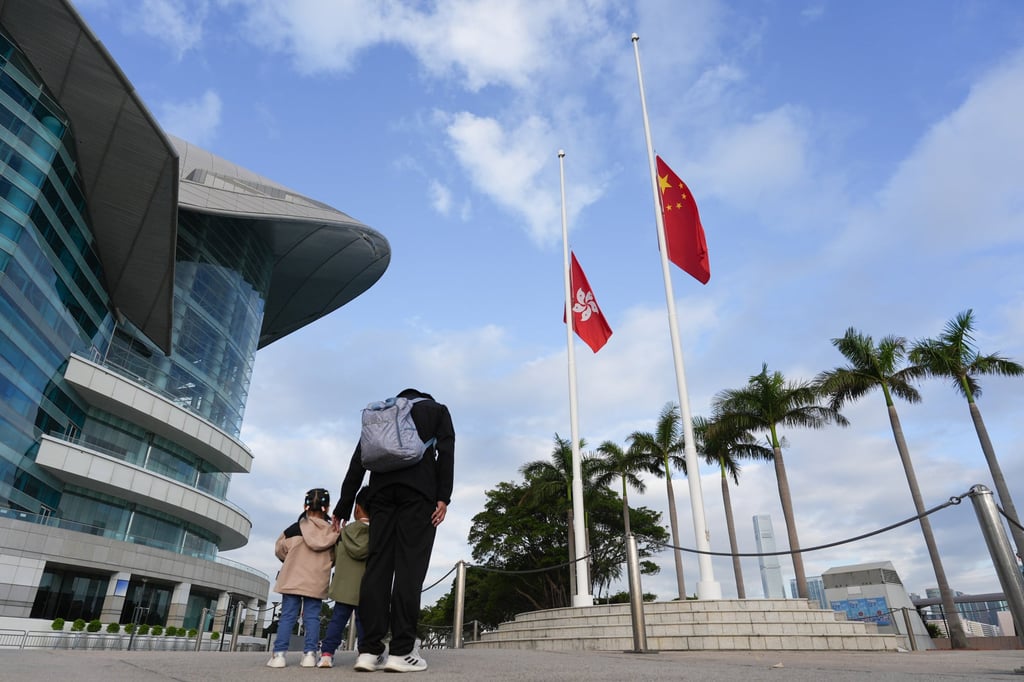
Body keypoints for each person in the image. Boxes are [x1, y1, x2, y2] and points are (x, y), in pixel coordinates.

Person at [334, 388, 455, 673]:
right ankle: (401, 651)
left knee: (377, 568)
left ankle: (369, 650)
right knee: (409, 569)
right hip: (419, 494)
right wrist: (443, 497)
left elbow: (358, 460)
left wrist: (344, 505)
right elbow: (446, 452)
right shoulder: (436, 410)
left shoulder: (383, 414)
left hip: (381, 495)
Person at [266, 488, 340, 669]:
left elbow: (280, 550)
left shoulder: (293, 529)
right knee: (312, 617)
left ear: (305, 505)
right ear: (327, 507)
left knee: (288, 617)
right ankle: (309, 654)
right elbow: (336, 557)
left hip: (292, 578)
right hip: (316, 580)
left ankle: (279, 655)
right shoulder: (333, 532)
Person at [317, 486, 371, 668]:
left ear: (357, 508)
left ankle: (326, 654)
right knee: (364, 623)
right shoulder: (377, 533)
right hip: (365, 590)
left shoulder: (343, 532)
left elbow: (335, 555)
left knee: (337, 621)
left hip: (342, 588)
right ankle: (364, 655)